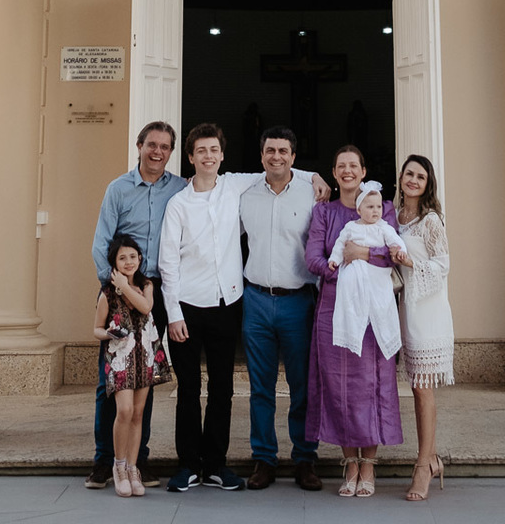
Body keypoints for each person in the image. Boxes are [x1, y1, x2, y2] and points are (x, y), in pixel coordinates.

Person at [159, 122, 327, 494]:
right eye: (201, 151)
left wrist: (314, 175)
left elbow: (284, 171)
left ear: (222, 155)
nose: (208, 156)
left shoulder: (257, 188)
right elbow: (168, 263)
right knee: (224, 389)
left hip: (263, 303)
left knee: (269, 388)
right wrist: (173, 313)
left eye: (213, 150)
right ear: (191, 157)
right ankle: (227, 462)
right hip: (220, 303)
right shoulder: (196, 200)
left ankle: (291, 461)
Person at [86, 121, 183, 491]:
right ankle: (103, 461)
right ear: (139, 146)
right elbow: (101, 243)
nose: (157, 152)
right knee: (111, 381)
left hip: (156, 294)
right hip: (120, 292)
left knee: (145, 377)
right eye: (151, 145)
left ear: (171, 152)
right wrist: (116, 289)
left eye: (164, 146)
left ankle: (137, 460)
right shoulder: (119, 189)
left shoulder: (180, 188)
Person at [306, 145, 404, 498]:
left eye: (354, 166)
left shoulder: (383, 207)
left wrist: (359, 253)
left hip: (375, 309)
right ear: (334, 173)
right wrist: (342, 271)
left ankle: (369, 464)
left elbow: (393, 254)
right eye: (341, 166)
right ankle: (349, 463)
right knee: (339, 385)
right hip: (335, 308)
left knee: (372, 383)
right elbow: (313, 258)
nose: (347, 171)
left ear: (363, 172)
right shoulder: (324, 212)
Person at [240, 126, 323, 492]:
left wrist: (313, 176)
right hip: (256, 300)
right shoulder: (245, 194)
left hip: (298, 302)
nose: (276, 156)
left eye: (283, 151)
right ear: (261, 156)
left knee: (302, 386)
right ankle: (264, 459)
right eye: (270, 150)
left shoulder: (312, 194)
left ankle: (305, 459)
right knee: (261, 388)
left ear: (293, 157)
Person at [93, 232, 172, 497]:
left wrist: (125, 286)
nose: (129, 262)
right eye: (122, 258)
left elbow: (146, 308)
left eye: (133, 256)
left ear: (140, 258)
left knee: (138, 413)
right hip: (120, 360)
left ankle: (132, 467)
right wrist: (109, 333)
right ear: (114, 262)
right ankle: (118, 466)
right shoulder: (107, 294)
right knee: (124, 411)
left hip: (145, 356)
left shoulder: (146, 285)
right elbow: (96, 329)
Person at [396, 154, 455, 503]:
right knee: (416, 387)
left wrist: (409, 261)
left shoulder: (430, 220)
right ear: (401, 178)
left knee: (423, 389)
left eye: (420, 176)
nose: (413, 180)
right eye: (409, 174)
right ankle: (431, 459)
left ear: (427, 183)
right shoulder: (394, 216)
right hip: (406, 308)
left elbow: (442, 266)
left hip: (428, 310)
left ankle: (423, 465)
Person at [328, 182, 410, 358]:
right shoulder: (351, 227)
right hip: (355, 272)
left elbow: (396, 242)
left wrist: (401, 251)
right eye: (370, 207)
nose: (376, 211)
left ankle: (384, 332)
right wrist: (334, 259)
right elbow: (340, 244)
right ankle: (352, 328)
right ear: (359, 210)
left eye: (378, 207)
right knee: (348, 289)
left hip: (376, 273)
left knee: (382, 300)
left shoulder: (384, 227)